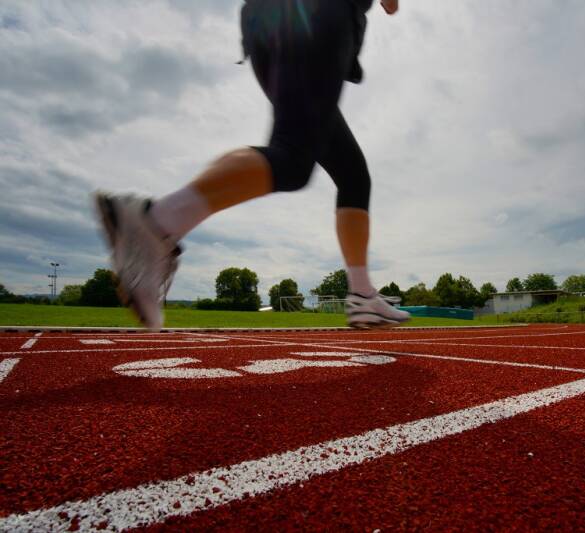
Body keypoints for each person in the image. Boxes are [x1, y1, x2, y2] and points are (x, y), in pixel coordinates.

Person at [95, 0, 409, 331]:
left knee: (352, 174)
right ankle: (155, 221)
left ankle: (362, 295)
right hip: (316, 14)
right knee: (292, 158)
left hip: (266, 19)